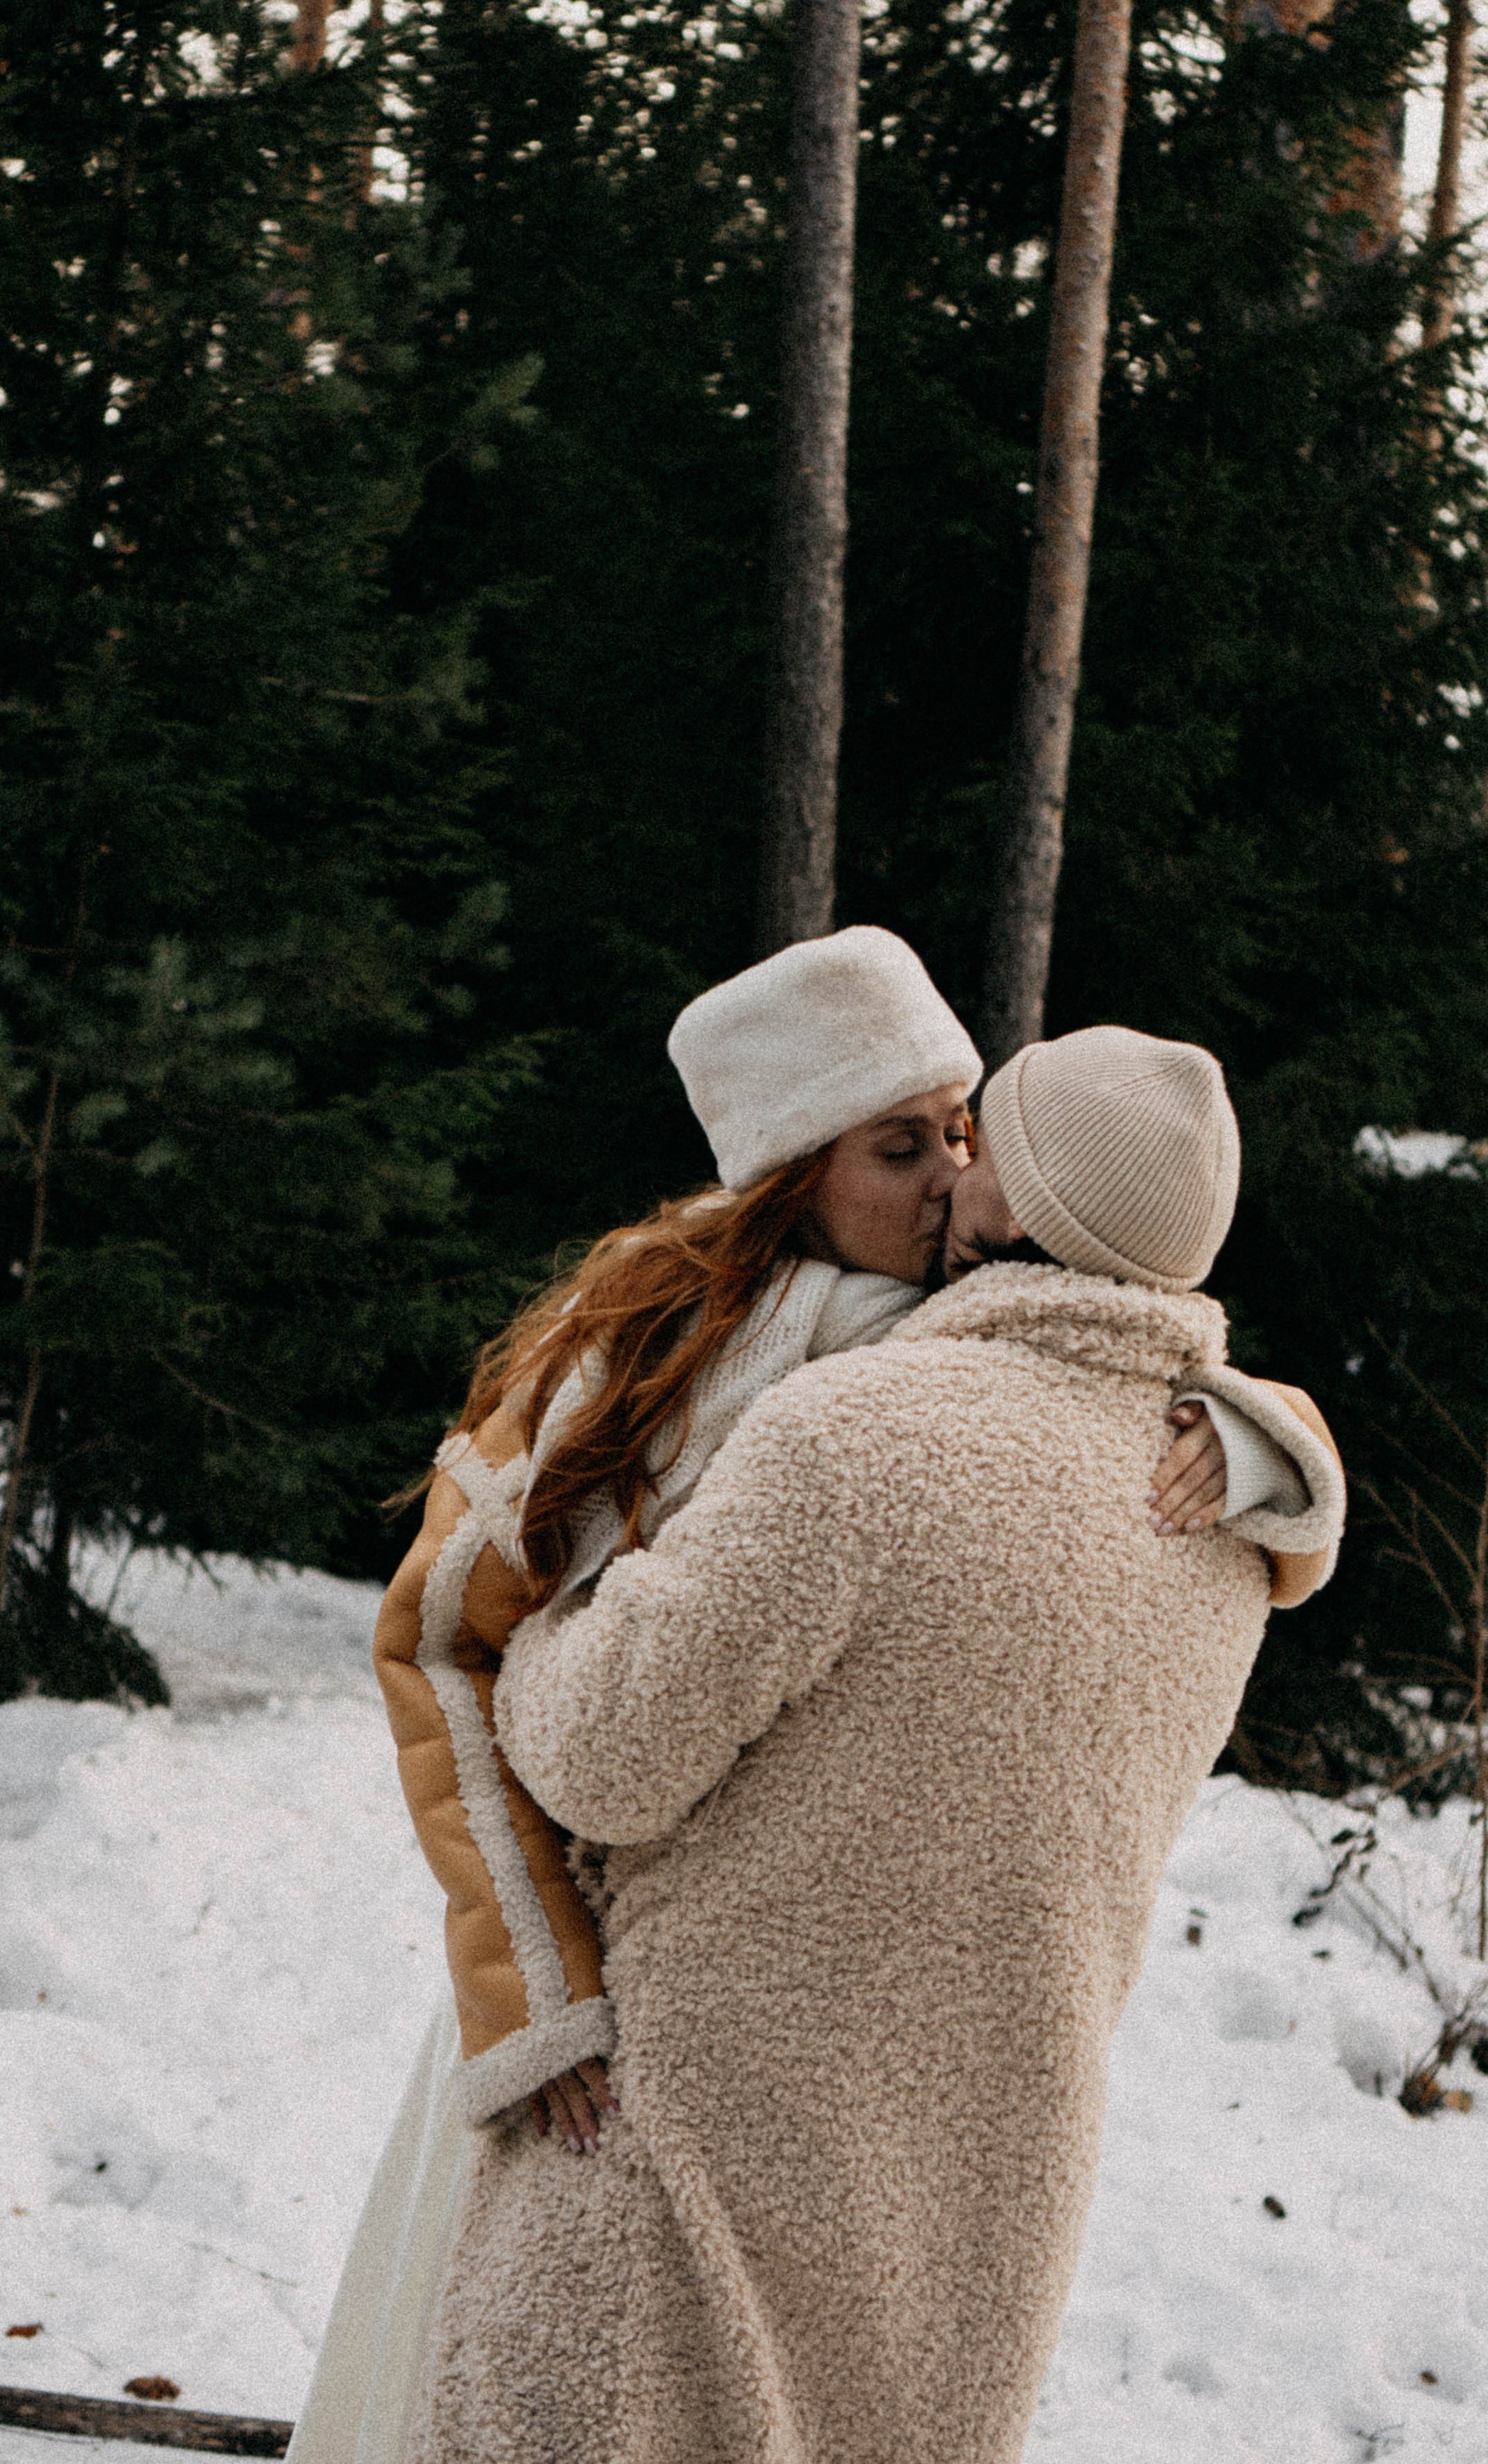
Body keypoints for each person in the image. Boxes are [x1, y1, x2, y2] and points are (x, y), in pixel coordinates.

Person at [289, 932, 1337, 2464]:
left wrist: (1267, 1448)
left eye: (964, 1134)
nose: (943, 1179)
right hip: (580, 2003)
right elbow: (447, 1650)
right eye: (896, 1146)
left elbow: (1122, 1347)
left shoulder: (949, 1334)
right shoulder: (637, 1351)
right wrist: (537, 1994)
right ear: (788, 1169)